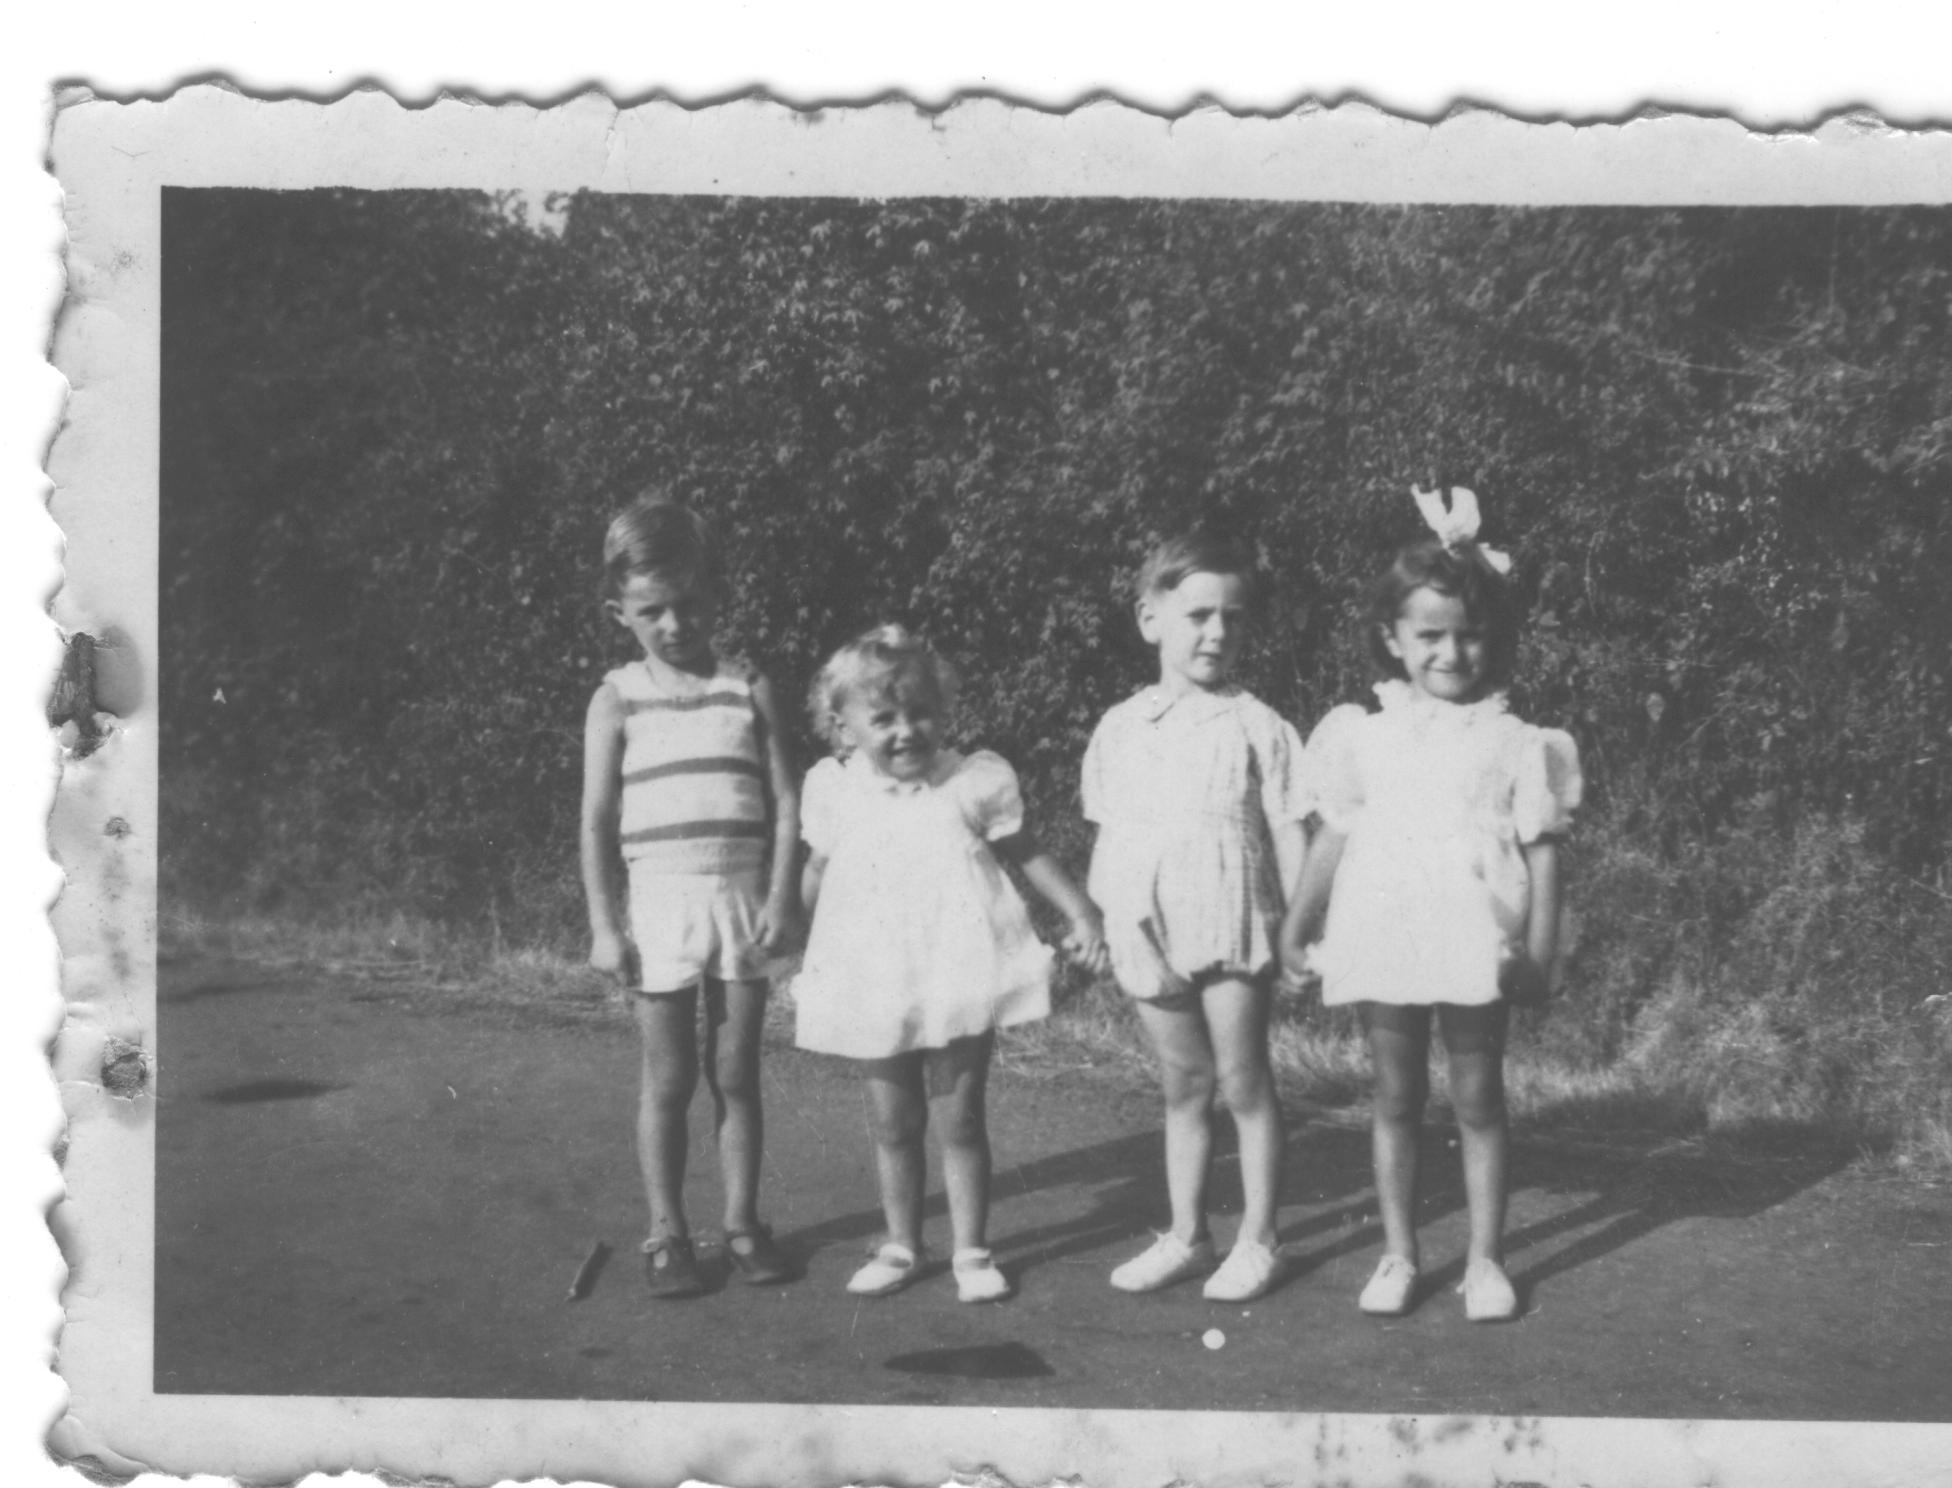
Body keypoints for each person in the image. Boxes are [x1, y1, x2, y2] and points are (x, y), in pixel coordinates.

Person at [1279, 486, 1581, 1322]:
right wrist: (1298, 926)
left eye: (1469, 634)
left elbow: (1542, 849)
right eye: (1431, 636)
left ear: (1493, 636)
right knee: (1394, 1096)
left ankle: (1485, 1261)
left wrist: (1540, 954)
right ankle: (1399, 1253)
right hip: (1384, 929)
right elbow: (1334, 834)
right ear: (1393, 637)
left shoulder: (1515, 742)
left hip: (1475, 939)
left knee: (1478, 1098)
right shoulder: (1363, 734)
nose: (1451, 653)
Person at [795, 625, 1107, 1303]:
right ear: (844, 728)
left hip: (959, 968)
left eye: (920, 713)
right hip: (875, 975)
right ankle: (903, 1245)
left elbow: (1026, 852)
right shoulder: (835, 791)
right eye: (884, 718)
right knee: (893, 1122)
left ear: (942, 711)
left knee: (959, 1118)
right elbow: (815, 875)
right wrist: (790, 936)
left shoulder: (970, 782)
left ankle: (972, 1250)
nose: (906, 730)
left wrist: (1081, 912)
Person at [1083, 528, 1311, 1303]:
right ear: (1151, 620)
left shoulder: (1258, 724)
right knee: (1183, 1083)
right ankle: (1186, 1235)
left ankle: (1260, 1239)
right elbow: (1109, 836)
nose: (1217, 632)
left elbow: (1289, 831)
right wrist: (1101, 921)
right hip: (1146, 926)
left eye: (1232, 618)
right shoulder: (1121, 727)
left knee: (1243, 1080)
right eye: (1198, 615)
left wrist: (1300, 929)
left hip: (1231, 919)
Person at [580, 499, 801, 1299]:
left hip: (740, 903)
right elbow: (596, 820)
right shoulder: (616, 699)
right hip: (659, 911)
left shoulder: (749, 686)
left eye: (690, 602)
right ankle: (667, 1232)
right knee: (669, 1079)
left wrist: (783, 898)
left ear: (716, 593)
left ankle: (742, 1224)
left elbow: (787, 801)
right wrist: (605, 926)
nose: (675, 624)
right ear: (620, 612)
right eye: (652, 611)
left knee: (736, 1073)